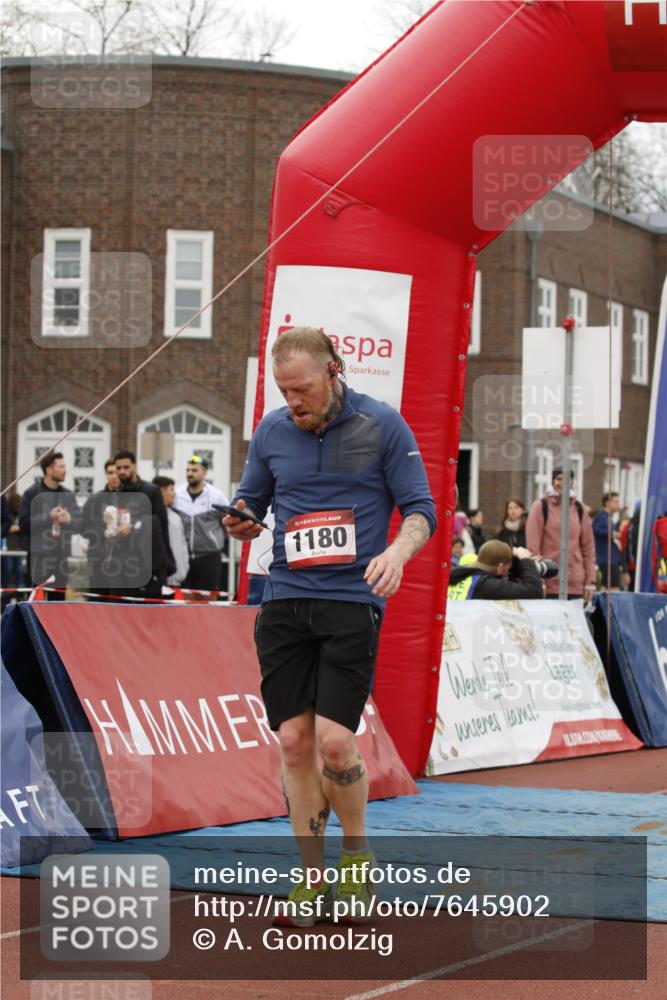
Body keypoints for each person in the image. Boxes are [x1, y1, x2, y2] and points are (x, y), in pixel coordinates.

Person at [224, 327, 436, 927]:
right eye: (285, 391)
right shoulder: (271, 431)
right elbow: (251, 503)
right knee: (293, 742)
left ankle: (356, 854)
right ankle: (311, 878)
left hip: (350, 601)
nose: (293, 402)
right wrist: (240, 523)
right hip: (285, 599)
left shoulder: (382, 425)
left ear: (334, 370)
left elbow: (421, 510)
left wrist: (396, 553)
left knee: (337, 743)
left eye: (303, 389)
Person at [110, 450, 174, 599]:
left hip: (146, 562)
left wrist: (135, 526)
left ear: (134, 466)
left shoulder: (151, 490)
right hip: (120, 561)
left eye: (126, 467)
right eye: (118, 468)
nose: (122, 471)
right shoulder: (117, 492)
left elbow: (161, 522)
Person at [525, 467, 595, 600]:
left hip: (575, 584)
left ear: (572, 482)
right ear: (552, 481)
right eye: (558, 479)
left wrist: (590, 581)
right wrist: (539, 579)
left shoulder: (579, 509)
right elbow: (533, 549)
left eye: (566, 479)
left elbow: (588, 548)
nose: (562, 483)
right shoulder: (540, 507)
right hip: (550, 584)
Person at [18, 452, 80, 600]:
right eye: (61, 466)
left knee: (57, 603)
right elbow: (24, 524)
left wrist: (69, 520)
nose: (65, 470)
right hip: (39, 557)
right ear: (49, 470)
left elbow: (79, 525)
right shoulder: (31, 493)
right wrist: (48, 517)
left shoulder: (68, 495)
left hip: (61, 557)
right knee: (34, 601)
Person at [172, 455, 230, 593]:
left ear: (204, 472)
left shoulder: (217, 496)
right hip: (183, 555)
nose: (190, 473)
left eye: (194, 470)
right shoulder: (177, 495)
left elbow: (228, 521)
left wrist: (223, 545)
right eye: (187, 470)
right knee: (185, 599)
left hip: (209, 556)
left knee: (208, 599)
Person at [447, 539, 544, 600]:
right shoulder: (486, 585)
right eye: (507, 569)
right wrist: (525, 559)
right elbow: (534, 592)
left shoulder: (458, 574)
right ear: (500, 567)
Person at [153, 476, 189, 587]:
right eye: (171, 489)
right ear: (162, 491)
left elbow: (181, 547)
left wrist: (183, 569)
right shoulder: (152, 517)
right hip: (160, 580)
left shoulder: (175, 517)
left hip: (176, 579)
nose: (174, 493)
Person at [592, 492, 623, 591]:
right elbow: (594, 529)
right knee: (612, 591)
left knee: (612, 590)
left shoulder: (609, 518)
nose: (618, 504)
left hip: (611, 560)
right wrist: (611, 533)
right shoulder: (602, 517)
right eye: (615, 502)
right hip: (606, 560)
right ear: (607, 503)